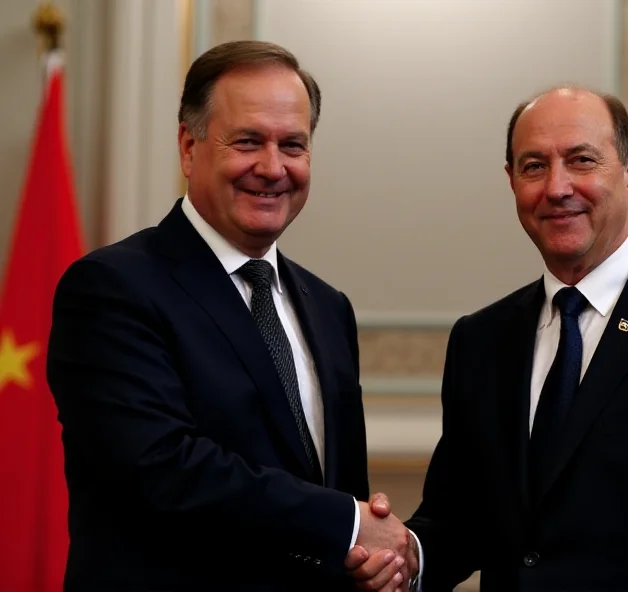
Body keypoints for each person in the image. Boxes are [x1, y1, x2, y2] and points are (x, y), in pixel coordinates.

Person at [348, 87, 628, 591]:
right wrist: (408, 556)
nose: (557, 187)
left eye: (582, 161)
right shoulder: (481, 340)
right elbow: (459, 519)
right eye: (534, 166)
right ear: (512, 182)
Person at [47, 40, 416, 591]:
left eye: (293, 145)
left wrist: (374, 558)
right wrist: (347, 524)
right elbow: (161, 469)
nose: (273, 168)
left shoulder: (328, 307)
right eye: (248, 142)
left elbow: (340, 490)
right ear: (188, 147)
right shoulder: (111, 287)